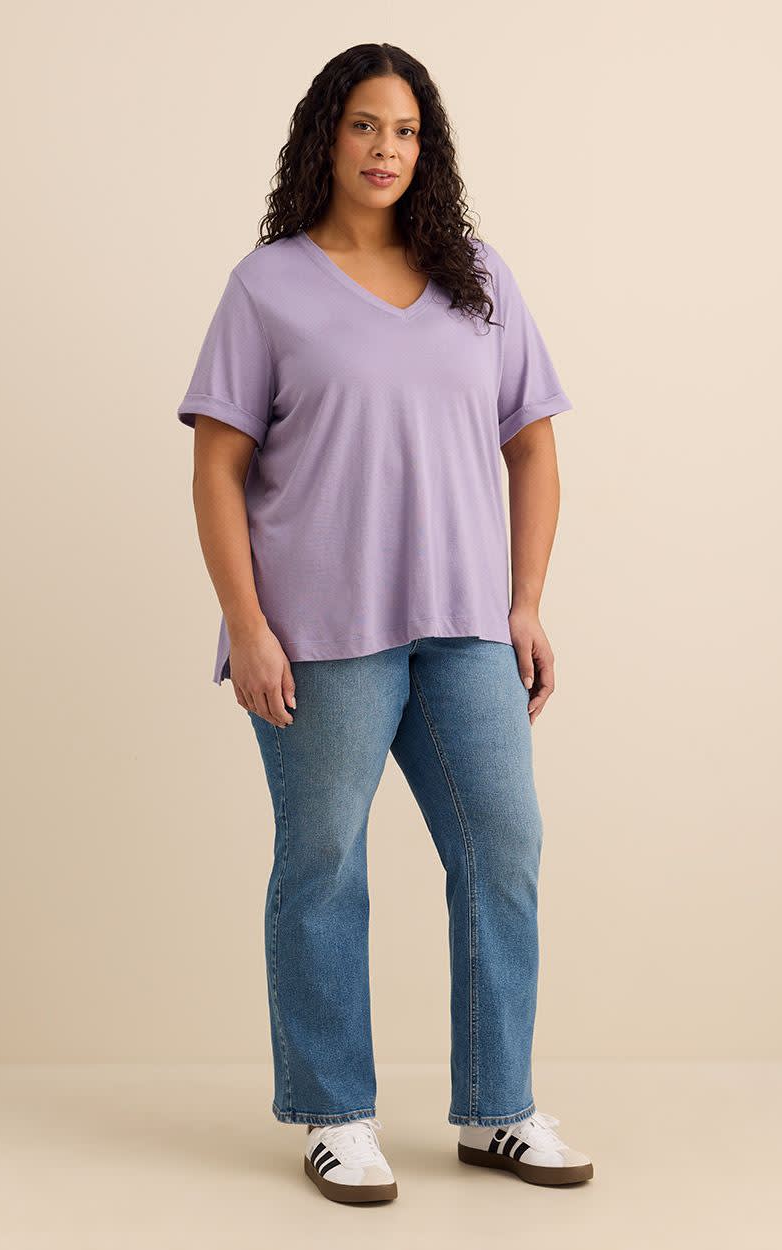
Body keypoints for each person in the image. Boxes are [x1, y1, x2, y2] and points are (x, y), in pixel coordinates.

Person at [175, 42, 594, 1204]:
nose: (385, 148)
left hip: (463, 624)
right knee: (323, 863)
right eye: (365, 125)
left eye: (406, 130)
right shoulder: (267, 287)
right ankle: (333, 1113)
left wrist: (525, 600)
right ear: (327, 137)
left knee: (502, 849)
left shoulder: (479, 279)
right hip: (317, 632)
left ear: (428, 148)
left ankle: (497, 1107)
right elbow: (217, 468)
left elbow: (532, 446)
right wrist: (246, 623)